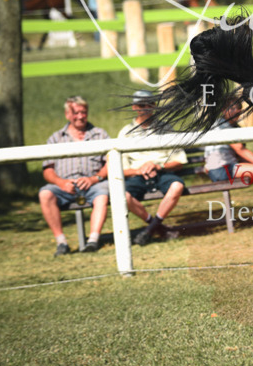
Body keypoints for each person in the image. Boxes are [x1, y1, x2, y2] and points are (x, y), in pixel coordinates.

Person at [39, 96, 111, 256]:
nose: (80, 116)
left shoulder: (100, 134)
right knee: (45, 193)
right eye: (76, 112)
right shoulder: (56, 138)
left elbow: (110, 163)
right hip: (64, 186)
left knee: (103, 193)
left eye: (83, 112)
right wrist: (61, 183)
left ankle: (93, 240)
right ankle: (61, 243)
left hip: (93, 184)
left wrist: (94, 178)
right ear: (67, 115)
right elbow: (48, 170)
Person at [118, 90, 188, 245]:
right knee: (122, 195)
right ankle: (158, 228)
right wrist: (139, 170)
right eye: (141, 105)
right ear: (134, 107)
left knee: (177, 186)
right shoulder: (125, 133)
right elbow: (120, 168)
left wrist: (158, 166)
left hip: (162, 173)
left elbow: (179, 161)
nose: (146, 108)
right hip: (137, 176)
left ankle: (151, 229)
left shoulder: (166, 128)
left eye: (150, 104)